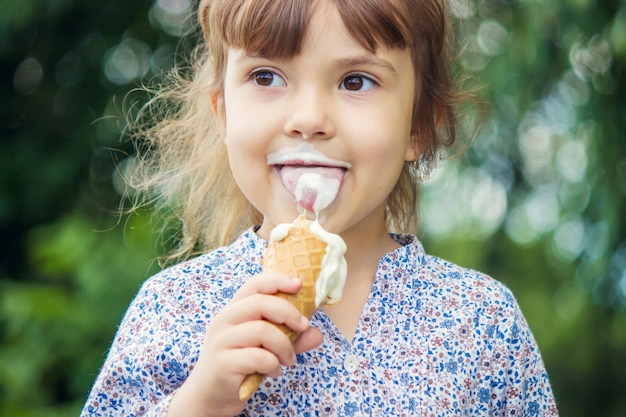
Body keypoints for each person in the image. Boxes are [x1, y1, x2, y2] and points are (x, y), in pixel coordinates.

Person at [81, 0, 559, 416]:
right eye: (266, 76)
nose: (309, 120)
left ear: (419, 126)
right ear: (222, 112)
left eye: (355, 81)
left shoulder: (482, 322)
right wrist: (197, 407)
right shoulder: (173, 309)